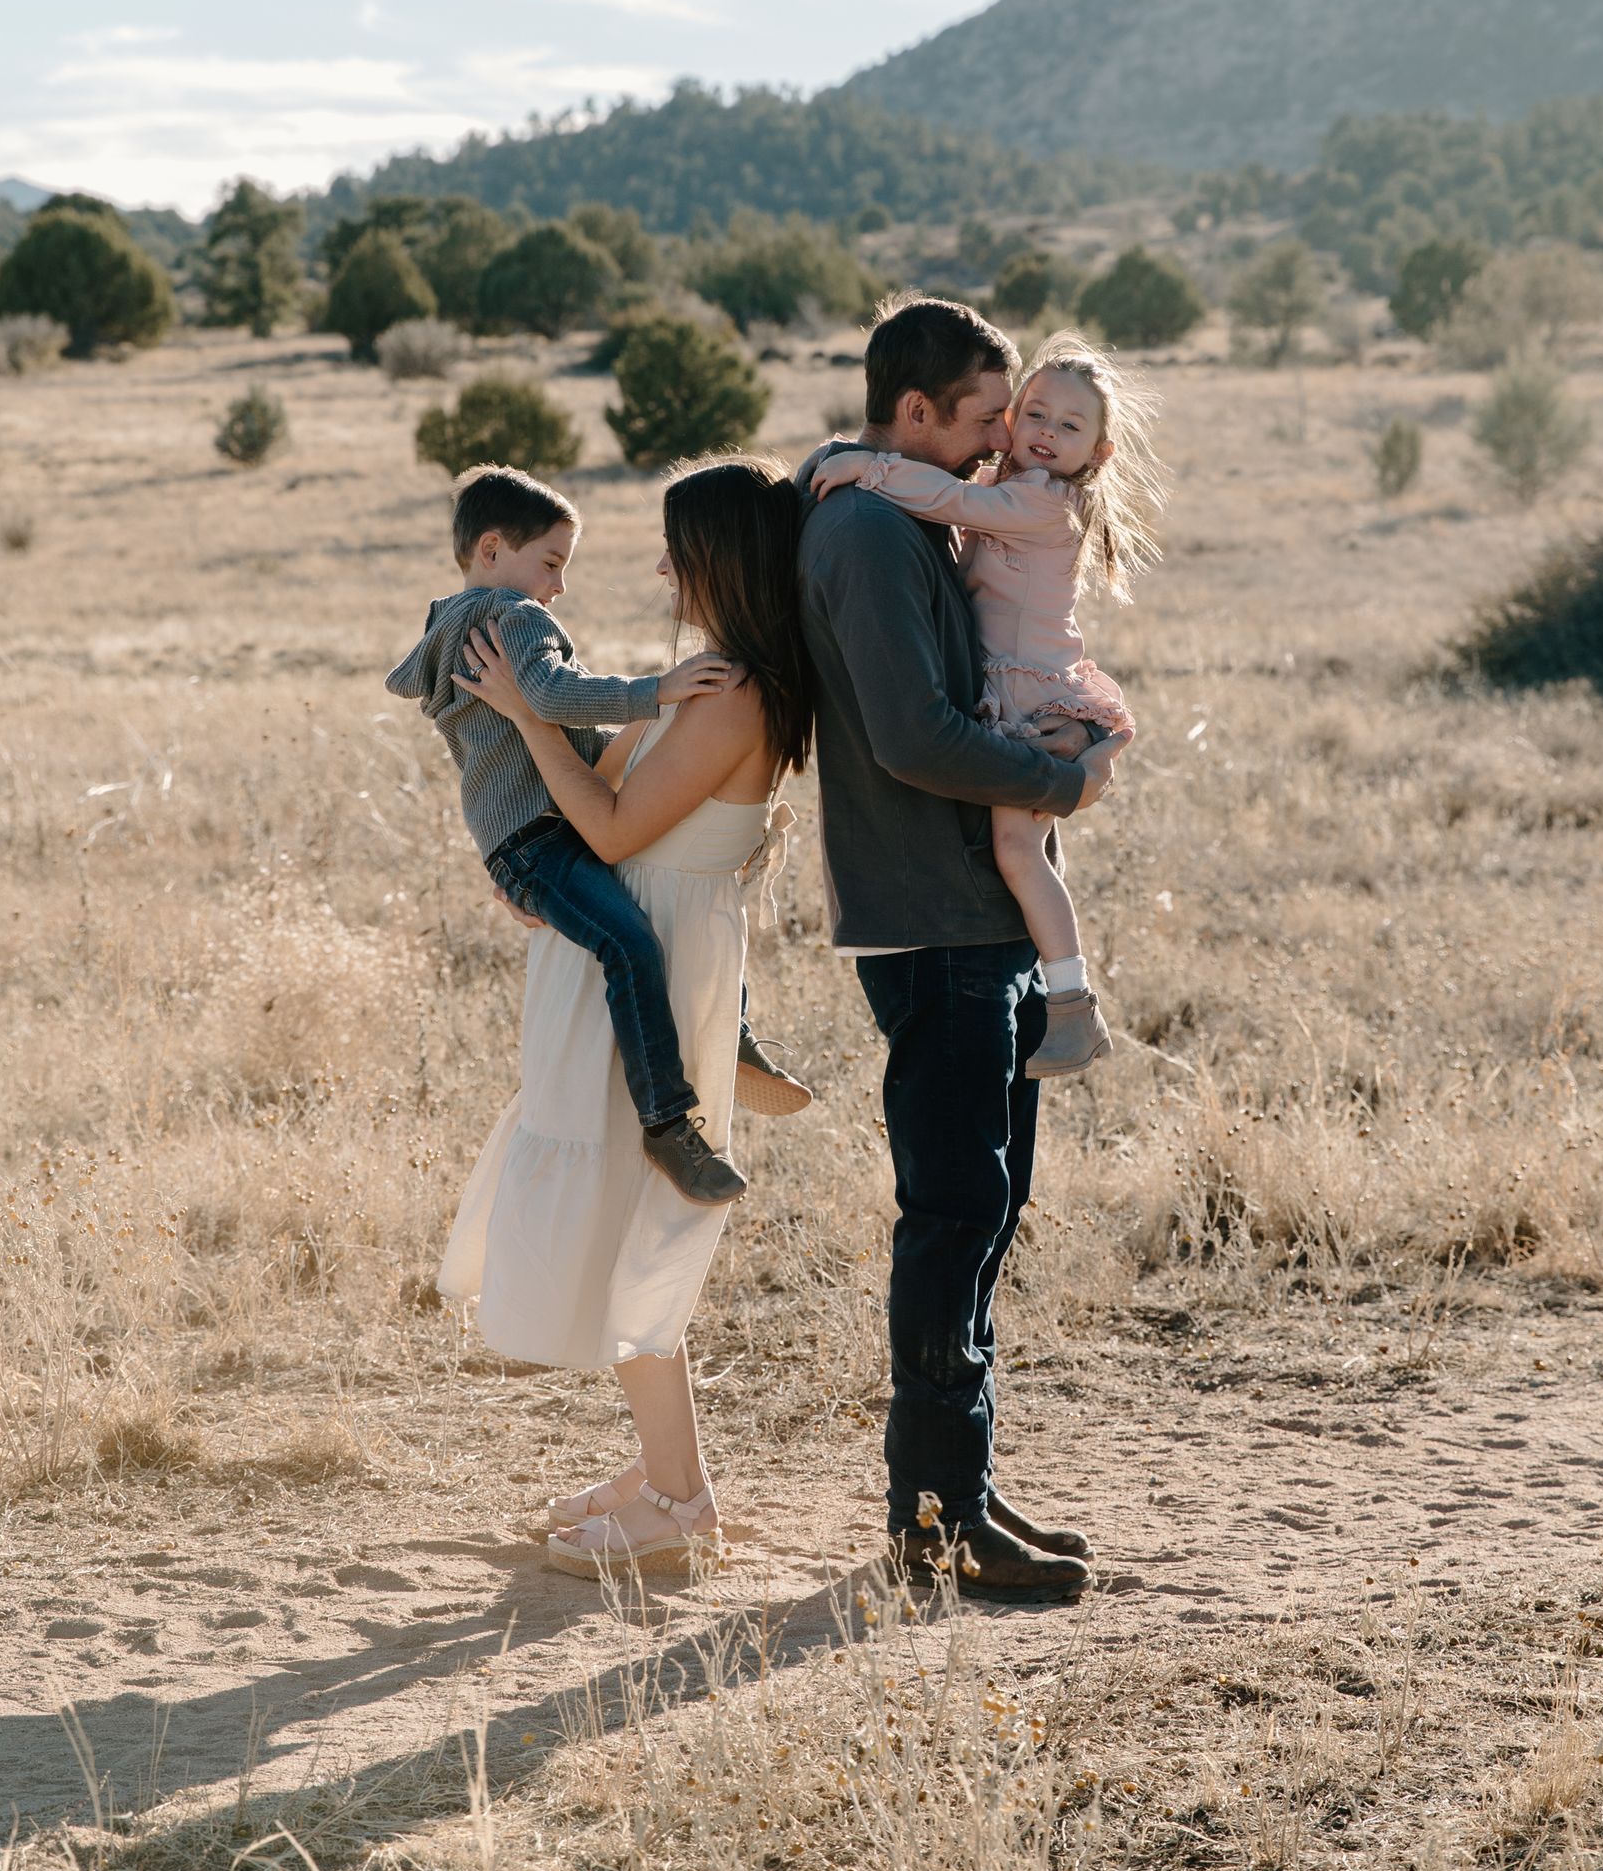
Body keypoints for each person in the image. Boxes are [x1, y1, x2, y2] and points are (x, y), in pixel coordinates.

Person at [797, 300, 1123, 1600]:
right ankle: (930, 1526)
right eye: (989, 418)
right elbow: (913, 738)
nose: (1008, 445)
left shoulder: (921, 510)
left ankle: (965, 1489)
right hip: (928, 918)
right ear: (917, 413)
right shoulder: (871, 528)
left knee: (987, 1212)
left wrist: (1076, 746)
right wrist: (1065, 788)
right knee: (951, 1217)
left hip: (977, 916)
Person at [441, 456, 814, 1578]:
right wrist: (526, 861)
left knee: (637, 1221)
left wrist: (521, 712)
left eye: (673, 546)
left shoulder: (738, 693)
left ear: (718, 561)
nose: (657, 566)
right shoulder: (703, 676)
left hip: (654, 962)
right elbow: (580, 805)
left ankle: (676, 1500)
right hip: (619, 950)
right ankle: (666, 1473)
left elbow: (606, 827)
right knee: (616, 1212)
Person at [384, 462, 748, 1207]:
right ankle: (668, 1120)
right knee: (632, 941)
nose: (559, 586)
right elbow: (551, 696)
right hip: (542, 836)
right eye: (551, 563)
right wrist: (659, 691)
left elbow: (545, 723)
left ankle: (729, 1030)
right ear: (491, 550)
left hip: (524, 836)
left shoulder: (452, 626)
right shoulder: (513, 619)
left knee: (658, 906)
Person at [811, 330, 1159, 1078]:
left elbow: (945, 499)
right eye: (1029, 414)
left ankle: (1073, 1005)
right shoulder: (1015, 483)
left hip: (1031, 690)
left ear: (1097, 452)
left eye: (1069, 427)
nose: (1039, 433)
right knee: (1021, 852)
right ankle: (1065, 1001)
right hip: (1015, 683)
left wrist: (864, 466)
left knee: (1018, 852)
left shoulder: (1044, 503)